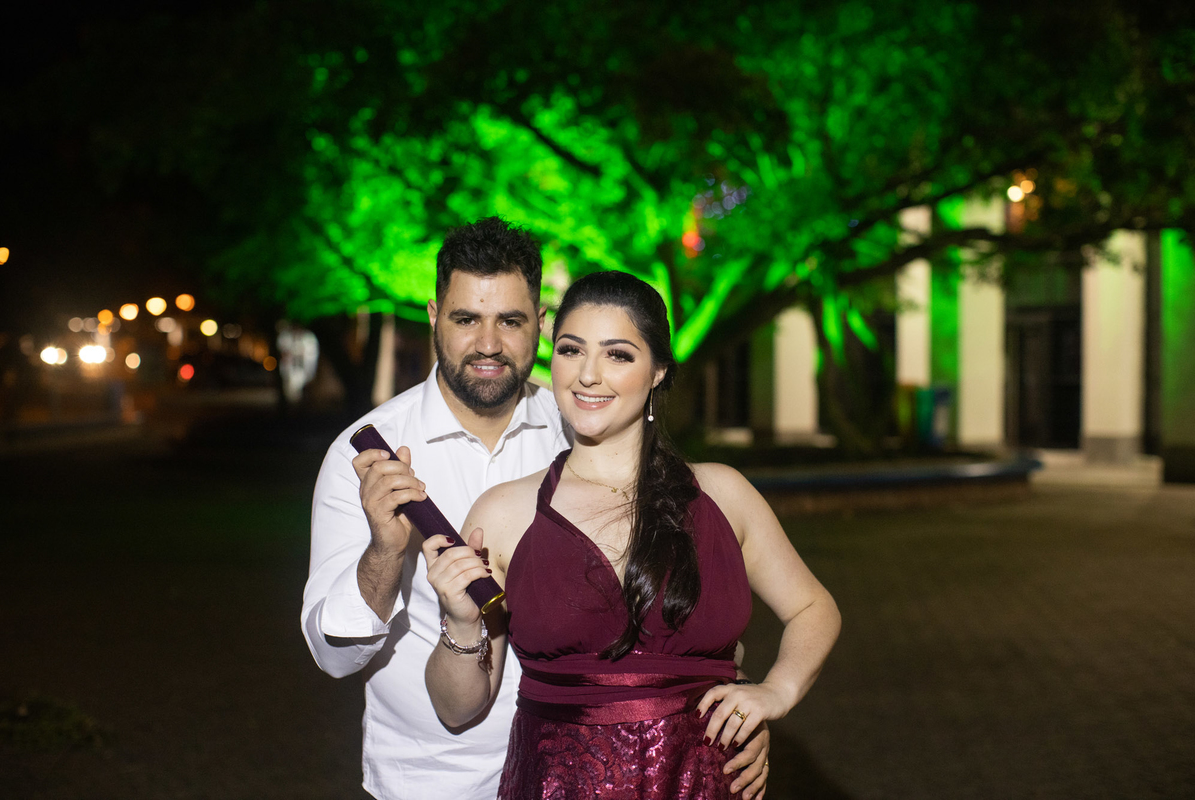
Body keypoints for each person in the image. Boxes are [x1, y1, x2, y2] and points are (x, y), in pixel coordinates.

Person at [301, 218, 770, 800]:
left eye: (510, 321)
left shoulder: (589, 423)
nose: (488, 343)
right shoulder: (369, 458)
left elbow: (674, 600)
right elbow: (335, 658)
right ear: (433, 317)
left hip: (591, 777)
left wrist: (736, 701)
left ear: (542, 325)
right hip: (432, 779)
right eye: (466, 319)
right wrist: (384, 551)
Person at [423, 271, 841, 799]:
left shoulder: (722, 494)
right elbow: (457, 709)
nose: (588, 375)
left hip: (701, 784)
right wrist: (462, 624)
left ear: (658, 370)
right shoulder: (504, 513)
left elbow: (813, 608)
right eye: (571, 350)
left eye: (617, 355)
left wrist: (777, 690)